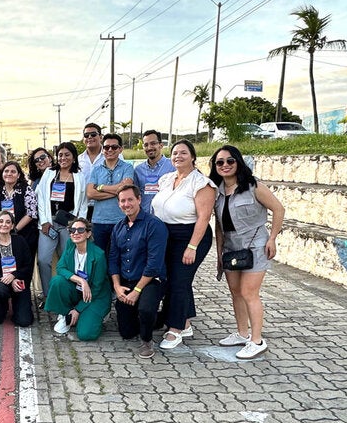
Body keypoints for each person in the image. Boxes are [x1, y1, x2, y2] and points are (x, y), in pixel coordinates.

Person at [209, 145, 285, 359]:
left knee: (249, 292)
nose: (225, 165)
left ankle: (257, 340)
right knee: (235, 292)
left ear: (238, 162)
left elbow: (278, 209)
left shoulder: (253, 186)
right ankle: (242, 333)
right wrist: (219, 254)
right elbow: (219, 226)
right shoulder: (218, 192)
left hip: (255, 244)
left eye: (230, 161)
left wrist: (272, 238)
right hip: (231, 246)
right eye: (220, 162)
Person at [151, 139, 216, 350]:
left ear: (193, 157)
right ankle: (186, 321)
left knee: (180, 281)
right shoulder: (167, 179)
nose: (178, 156)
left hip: (190, 236)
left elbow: (204, 217)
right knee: (173, 278)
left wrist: (192, 246)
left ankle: (175, 329)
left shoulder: (201, 183)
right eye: (175, 153)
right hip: (167, 235)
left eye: (183, 153)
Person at [109, 185, 168, 358]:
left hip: (150, 280)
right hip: (127, 281)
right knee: (127, 332)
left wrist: (137, 291)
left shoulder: (154, 225)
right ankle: (151, 318)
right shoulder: (118, 227)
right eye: (122, 201)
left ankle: (147, 340)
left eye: (130, 199)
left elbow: (154, 264)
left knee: (146, 310)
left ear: (139, 200)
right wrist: (117, 286)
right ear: (118, 204)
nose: (126, 204)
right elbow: (113, 259)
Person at [44, 218, 110, 341]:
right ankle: (66, 314)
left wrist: (78, 310)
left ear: (88, 233)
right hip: (79, 289)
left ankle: (95, 314)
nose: (76, 233)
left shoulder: (98, 255)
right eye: (72, 230)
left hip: (95, 295)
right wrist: (81, 280)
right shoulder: (70, 245)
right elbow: (60, 268)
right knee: (57, 281)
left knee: (86, 334)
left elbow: (96, 288)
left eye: (80, 230)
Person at [36, 142, 88, 299]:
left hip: (69, 224)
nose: (63, 158)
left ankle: (68, 294)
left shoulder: (79, 176)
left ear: (73, 157)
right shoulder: (49, 173)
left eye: (67, 155)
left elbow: (83, 202)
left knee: (69, 261)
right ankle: (48, 295)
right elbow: (41, 198)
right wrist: (44, 221)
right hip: (49, 223)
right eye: (60, 155)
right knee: (43, 260)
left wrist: (79, 225)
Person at [86, 133, 135, 252]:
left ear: (120, 149)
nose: (110, 150)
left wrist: (101, 187)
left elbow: (127, 188)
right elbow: (90, 194)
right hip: (98, 221)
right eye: (106, 147)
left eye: (114, 147)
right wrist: (118, 191)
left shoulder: (127, 167)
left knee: (120, 255)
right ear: (103, 150)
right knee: (99, 257)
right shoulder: (96, 170)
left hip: (121, 219)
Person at [0, 210, 34, 326]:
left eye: (8, 222)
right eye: (1, 221)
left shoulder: (20, 241)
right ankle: (3, 305)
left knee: (24, 321)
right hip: (1, 282)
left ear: (12, 226)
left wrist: (14, 276)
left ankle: (20, 304)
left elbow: (28, 265)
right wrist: (9, 280)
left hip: (20, 282)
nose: (4, 225)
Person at [0, 160, 39, 257]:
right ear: (2, 174)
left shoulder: (26, 190)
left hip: (23, 234)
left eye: (13, 172)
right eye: (6, 171)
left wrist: (13, 229)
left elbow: (31, 213)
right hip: (0, 234)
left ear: (18, 175)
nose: (9, 174)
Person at [134, 130, 175, 215]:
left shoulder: (173, 166)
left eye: (153, 143)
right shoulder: (138, 170)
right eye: (146, 145)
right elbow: (135, 195)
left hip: (167, 218)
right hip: (145, 218)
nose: (149, 147)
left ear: (161, 145)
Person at [78, 123, 112, 221]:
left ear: (101, 137)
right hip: (84, 208)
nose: (89, 137)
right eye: (86, 135)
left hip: (106, 206)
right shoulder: (78, 160)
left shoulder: (112, 155)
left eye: (93, 134)